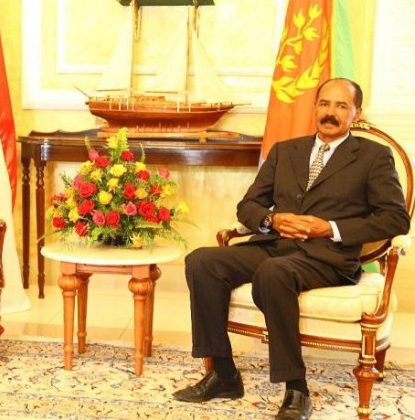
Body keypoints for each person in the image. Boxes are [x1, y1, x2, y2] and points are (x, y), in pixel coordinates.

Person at [172, 78, 410, 419]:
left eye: (341, 106)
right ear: (314, 108)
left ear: (357, 114)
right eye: (324, 104)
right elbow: (248, 207)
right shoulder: (286, 151)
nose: (330, 112)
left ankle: (296, 389)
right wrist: (273, 219)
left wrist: (330, 228)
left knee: (274, 272)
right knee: (202, 261)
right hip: (274, 244)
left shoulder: (373, 156)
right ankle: (223, 374)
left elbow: (395, 219)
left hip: (328, 257)